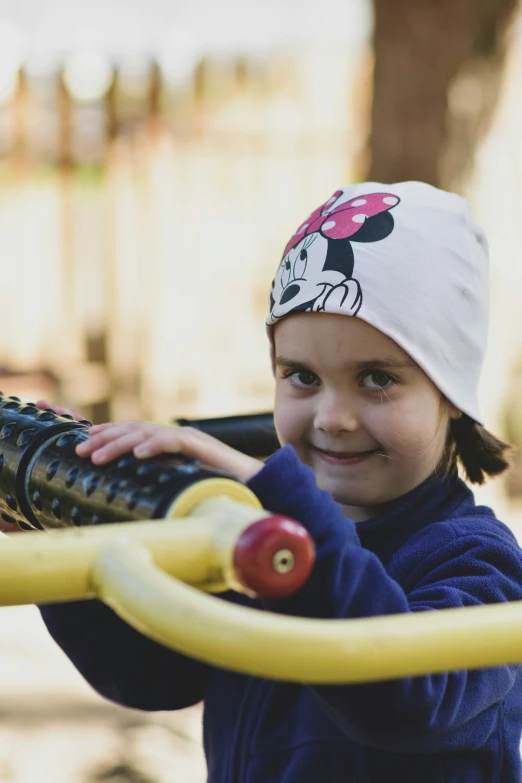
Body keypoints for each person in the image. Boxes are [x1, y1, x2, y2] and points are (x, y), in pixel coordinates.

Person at [36, 182, 522, 783]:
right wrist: (58, 522)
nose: (332, 418)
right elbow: (152, 674)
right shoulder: (244, 529)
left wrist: (272, 499)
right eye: (302, 376)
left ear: (451, 395)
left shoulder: (479, 563)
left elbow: (405, 699)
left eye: (375, 378)